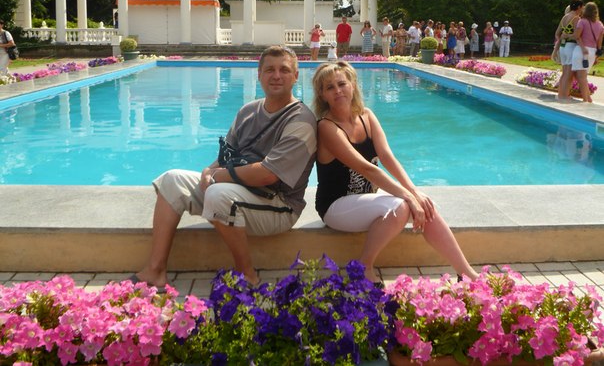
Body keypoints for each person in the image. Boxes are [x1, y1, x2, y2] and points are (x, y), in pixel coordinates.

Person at [132, 46, 317, 289]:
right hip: (240, 191)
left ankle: (247, 274)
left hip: (278, 205)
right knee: (172, 180)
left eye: (284, 70)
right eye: (269, 70)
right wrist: (209, 171)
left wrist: (219, 176)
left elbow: (267, 175)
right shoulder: (248, 111)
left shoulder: (301, 120)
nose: (276, 76)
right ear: (259, 75)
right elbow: (226, 156)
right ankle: (155, 270)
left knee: (218, 194)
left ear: (295, 76)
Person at [312, 61, 479, 285]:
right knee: (401, 205)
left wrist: (414, 192)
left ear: (352, 85)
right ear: (322, 95)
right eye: (330, 87)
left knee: (426, 206)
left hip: (365, 201)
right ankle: (364, 267)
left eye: (342, 84)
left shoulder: (366, 116)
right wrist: (408, 196)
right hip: (336, 206)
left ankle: (467, 274)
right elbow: (366, 168)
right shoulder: (326, 127)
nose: (338, 91)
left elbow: (387, 157)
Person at [571, 2, 603, 103]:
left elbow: (576, 36)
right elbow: (599, 44)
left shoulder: (582, 21)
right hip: (592, 52)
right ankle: (588, 98)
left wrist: (582, 47)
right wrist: (596, 57)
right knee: (582, 76)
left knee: (581, 77)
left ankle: (586, 100)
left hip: (581, 50)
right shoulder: (600, 25)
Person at [554, 0, 584, 100]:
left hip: (563, 47)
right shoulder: (576, 18)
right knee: (569, 73)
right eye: (582, 7)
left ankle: (561, 94)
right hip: (571, 46)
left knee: (564, 72)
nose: (582, 9)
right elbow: (576, 36)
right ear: (579, 7)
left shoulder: (564, 17)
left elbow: (557, 34)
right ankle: (565, 95)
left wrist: (562, 39)